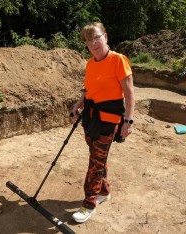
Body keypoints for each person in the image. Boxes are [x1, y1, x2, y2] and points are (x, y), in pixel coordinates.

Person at [71, 22, 135, 223]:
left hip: (109, 120)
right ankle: (104, 191)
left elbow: (130, 93)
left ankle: (89, 203)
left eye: (96, 37)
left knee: (95, 163)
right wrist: (78, 104)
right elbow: (88, 90)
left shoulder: (119, 60)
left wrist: (128, 121)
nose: (93, 43)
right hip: (91, 117)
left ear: (105, 36)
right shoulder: (90, 63)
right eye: (88, 40)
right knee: (98, 158)